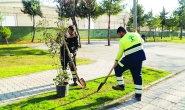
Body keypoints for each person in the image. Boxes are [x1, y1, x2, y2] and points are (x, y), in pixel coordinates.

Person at [112, 26, 146, 101]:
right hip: (140, 57)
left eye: (119, 34)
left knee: (117, 68)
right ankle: (138, 95)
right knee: (137, 75)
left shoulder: (122, 40)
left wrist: (116, 60)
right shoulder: (136, 34)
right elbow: (143, 42)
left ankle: (121, 86)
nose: (119, 36)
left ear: (121, 32)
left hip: (130, 59)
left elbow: (120, 52)